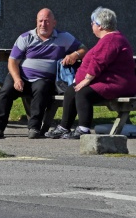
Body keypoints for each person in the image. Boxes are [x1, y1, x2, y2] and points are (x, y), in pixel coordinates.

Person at [0, 8, 85, 140]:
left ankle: (34, 128)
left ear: (54, 23)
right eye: (40, 21)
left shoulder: (64, 38)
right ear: (36, 21)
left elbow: (84, 49)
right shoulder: (25, 37)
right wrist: (17, 79)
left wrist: (74, 54)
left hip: (43, 79)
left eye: (47, 21)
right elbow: (12, 62)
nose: (43, 24)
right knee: (5, 92)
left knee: (41, 90)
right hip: (21, 76)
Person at [46, 7, 136, 139]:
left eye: (92, 23)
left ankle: (84, 129)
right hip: (108, 80)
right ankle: (64, 127)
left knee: (84, 93)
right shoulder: (109, 38)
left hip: (117, 83)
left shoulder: (111, 40)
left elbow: (98, 62)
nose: (91, 25)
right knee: (71, 90)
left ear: (100, 26)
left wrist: (86, 80)